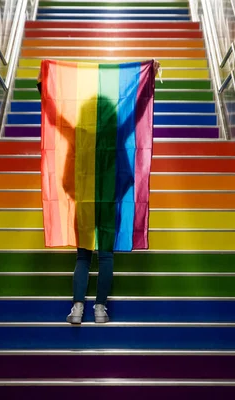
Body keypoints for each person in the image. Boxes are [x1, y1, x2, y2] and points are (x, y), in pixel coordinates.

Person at [36, 60, 161, 324]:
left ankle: (78, 308)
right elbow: (136, 113)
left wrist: (43, 85)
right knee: (105, 256)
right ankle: (100, 308)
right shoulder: (116, 133)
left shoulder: (78, 134)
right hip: (108, 203)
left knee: (83, 257)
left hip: (83, 202)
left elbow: (54, 117)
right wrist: (149, 79)